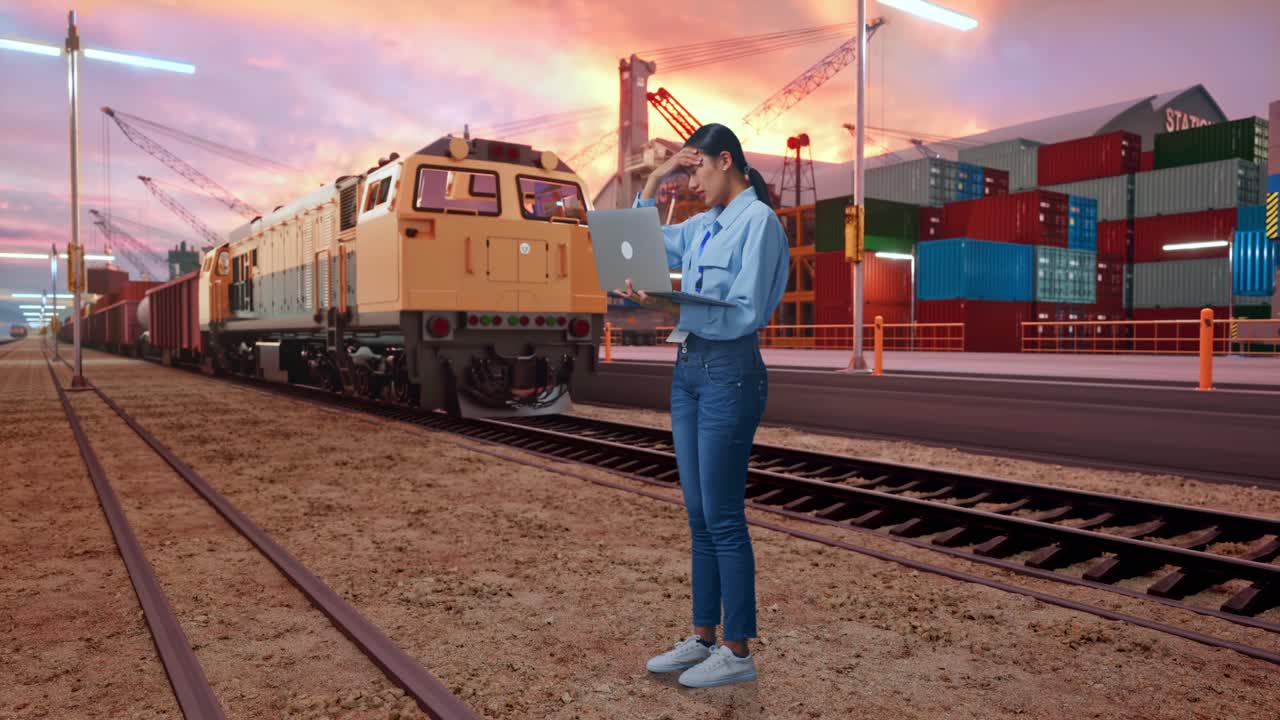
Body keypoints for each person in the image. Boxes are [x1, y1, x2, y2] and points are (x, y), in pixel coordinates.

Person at [616, 123, 789, 689]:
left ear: (726, 160)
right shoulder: (704, 225)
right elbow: (641, 242)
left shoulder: (757, 222)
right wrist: (657, 179)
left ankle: (737, 651)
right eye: (685, 174)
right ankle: (703, 638)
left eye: (696, 171)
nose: (694, 183)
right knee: (698, 516)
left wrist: (669, 304)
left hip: (729, 374)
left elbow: (744, 311)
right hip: (689, 371)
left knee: (723, 516)